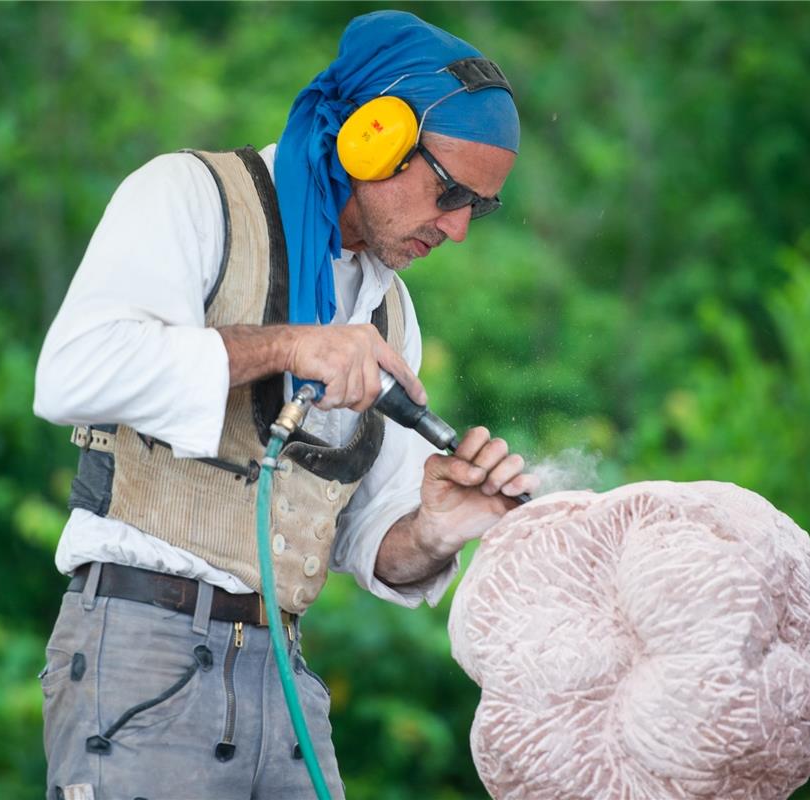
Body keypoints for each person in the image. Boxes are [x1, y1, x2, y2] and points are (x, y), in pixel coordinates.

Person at [32, 10, 536, 799]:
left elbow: (372, 544)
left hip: (286, 674)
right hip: (143, 657)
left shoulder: (393, 314)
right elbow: (71, 373)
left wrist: (436, 528)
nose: (460, 229)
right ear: (373, 136)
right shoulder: (192, 197)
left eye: (483, 206)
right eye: (449, 192)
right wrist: (288, 345)